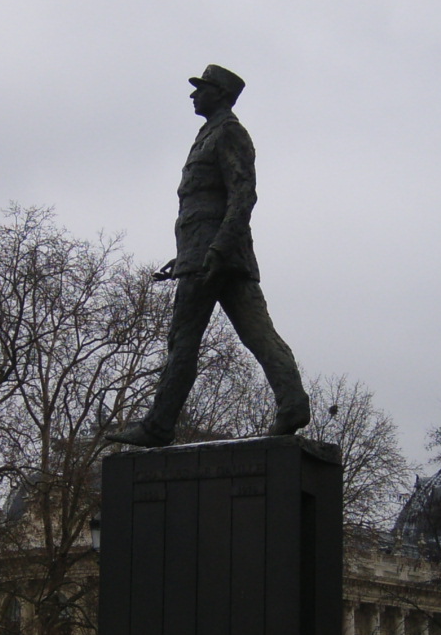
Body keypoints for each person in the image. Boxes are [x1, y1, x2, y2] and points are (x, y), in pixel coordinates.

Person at [106, 65, 310, 448]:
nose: (193, 95)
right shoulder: (209, 135)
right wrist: (185, 254)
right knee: (257, 333)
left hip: (213, 257)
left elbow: (243, 193)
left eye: (201, 88)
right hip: (207, 254)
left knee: (183, 341)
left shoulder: (229, 132)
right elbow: (203, 206)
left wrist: (217, 247)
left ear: (220, 94)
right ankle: (293, 403)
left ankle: (158, 425)